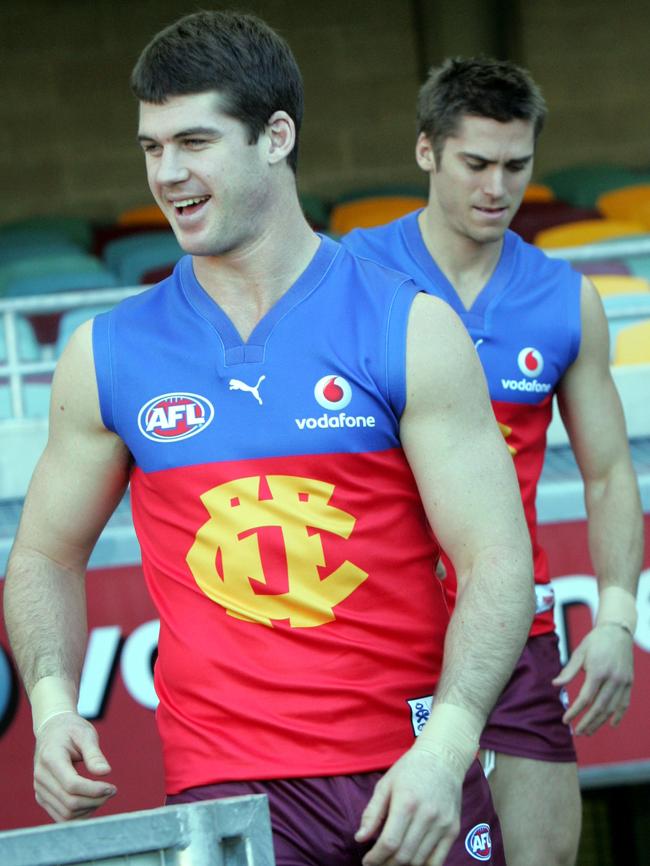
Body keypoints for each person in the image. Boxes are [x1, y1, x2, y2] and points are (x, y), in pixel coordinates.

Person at [3, 20, 535, 866]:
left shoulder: (408, 326)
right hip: (227, 790)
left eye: (194, 142)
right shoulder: (108, 353)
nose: (168, 173)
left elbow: (498, 561)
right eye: (151, 147)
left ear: (275, 137)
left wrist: (450, 745)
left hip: (411, 778)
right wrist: (54, 700)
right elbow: (42, 558)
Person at [342, 56, 644, 866]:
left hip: (511, 623)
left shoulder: (563, 297)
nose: (496, 187)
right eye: (475, 163)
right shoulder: (350, 274)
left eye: (517, 166)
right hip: (374, 630)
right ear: (426, 152)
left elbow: (611, 471)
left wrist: (617, 616)